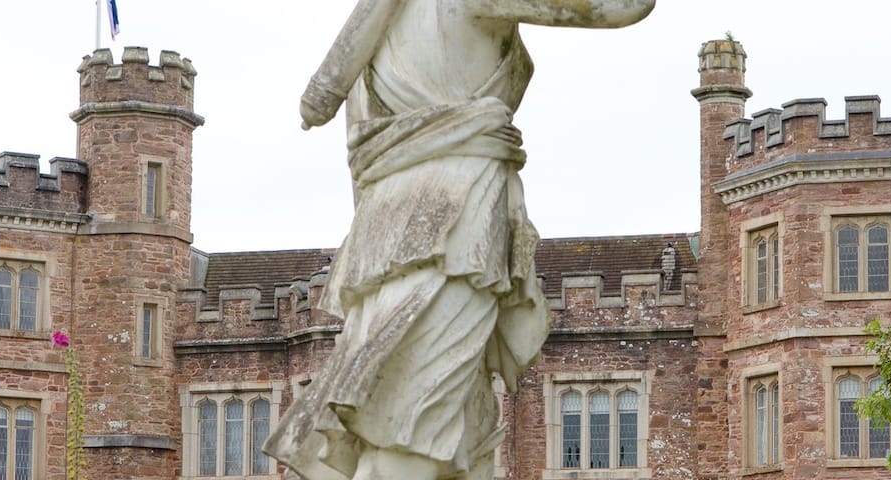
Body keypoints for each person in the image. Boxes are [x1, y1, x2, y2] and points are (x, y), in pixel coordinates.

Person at [264, 1, 656, 479]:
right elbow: (616, 6)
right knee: (410, 429)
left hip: (388, 238)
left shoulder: (382, 33)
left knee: (429, 432)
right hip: (452, 231)